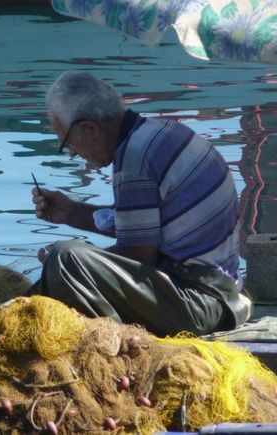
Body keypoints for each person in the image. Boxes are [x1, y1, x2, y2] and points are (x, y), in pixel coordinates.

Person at [30, 70, 251, 337]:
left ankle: (115, 346)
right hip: (223, 293)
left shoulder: (135, 158)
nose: (74, 154)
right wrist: (71, 213)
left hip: (201, 302)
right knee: (67, 265)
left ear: (90, 128)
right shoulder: (158, 133)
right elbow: (144, 228)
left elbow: (139, 256)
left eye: (68, 144)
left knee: (67, 259)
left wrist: (69, 263)